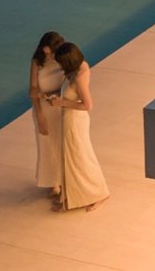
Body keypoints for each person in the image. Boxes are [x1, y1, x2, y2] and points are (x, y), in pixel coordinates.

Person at [49, 40, 110, 212]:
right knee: (72, 156)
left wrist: (62, 103)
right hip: (70, 117)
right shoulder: (82, 66)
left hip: (75, 119)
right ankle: (73, 194)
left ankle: (98, 193)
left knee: (80, 156)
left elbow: (88, 105)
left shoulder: (79, 78)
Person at [29, 30, 66, 203]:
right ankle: (53, 183)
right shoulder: (37, 63)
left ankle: (65, 180)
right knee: (47, 146)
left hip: (60, 106)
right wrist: (40, 116)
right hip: (44, 107)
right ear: (45, 49)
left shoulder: (62, 59)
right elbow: (33, 90)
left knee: (63, 145)